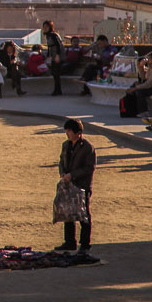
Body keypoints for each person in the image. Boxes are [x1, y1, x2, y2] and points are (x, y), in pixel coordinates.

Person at [55, 118, 95, 253]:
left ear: (78, 132)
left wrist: (73, 175)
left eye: (69, 131)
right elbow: (61, 161)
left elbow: (89, 168)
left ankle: (85, 243)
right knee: (69, 213)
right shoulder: (66, 145)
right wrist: (63, 173)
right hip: (69, 183)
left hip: (82, 184)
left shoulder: (87, 147)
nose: (67, 133)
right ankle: (70, 241)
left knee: (83, 215)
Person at [42, 20, 65, 95]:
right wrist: (48, 56)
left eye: (47, 27)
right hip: (53, 55)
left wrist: (57, 55)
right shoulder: (48, 35)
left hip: (57, 55)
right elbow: (49, 48)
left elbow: (58, 45)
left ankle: (57, 90)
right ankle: (57, 90)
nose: (45, 28)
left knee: (56, 73)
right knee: (55, 73)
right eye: (44, 27)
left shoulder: (53, 35)